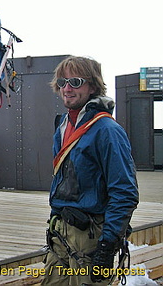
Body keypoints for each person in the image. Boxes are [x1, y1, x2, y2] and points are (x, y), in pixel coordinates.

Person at [42, 56, 139, 285]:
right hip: (60, 234)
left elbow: (125, 193)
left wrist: (107, 248)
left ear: (93, 86)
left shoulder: (106, 130)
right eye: (62, 81)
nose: (67, 88)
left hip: (90, 239)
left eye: (76, 82)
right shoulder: (64, 126)